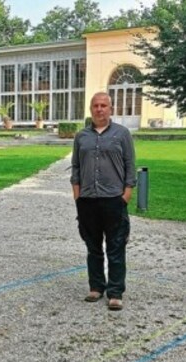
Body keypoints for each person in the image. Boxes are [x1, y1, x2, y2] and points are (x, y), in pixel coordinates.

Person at [71, 91, 136, 311]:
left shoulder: (122, 134)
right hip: (88, 199)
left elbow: (129, 166)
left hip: (114, 199)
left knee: (116, 246)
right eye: (95, 106)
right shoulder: (82, 137)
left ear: (111, 109)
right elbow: (76, 168)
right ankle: (96, 287)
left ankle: (115, 292)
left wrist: (126, 195)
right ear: (91, 110)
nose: (99, 109)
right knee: (93, 247)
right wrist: (77, 195)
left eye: (103, 106)